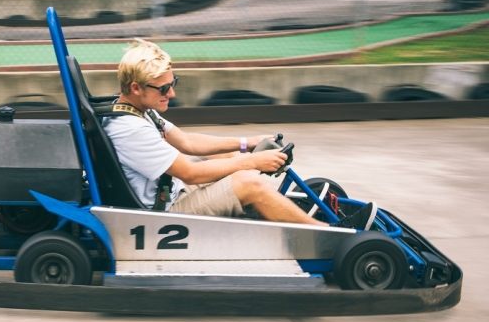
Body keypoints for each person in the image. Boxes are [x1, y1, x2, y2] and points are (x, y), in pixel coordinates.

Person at [101, 38, 377, 230]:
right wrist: (253, 162)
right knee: (249, 182)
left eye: (173, 84)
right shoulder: (130, 129)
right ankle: (331, 233)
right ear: (136, 88)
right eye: (164, 89)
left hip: (169, 190)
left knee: (232, 155)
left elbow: (187, 142)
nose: (171, 93)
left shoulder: (139, 110)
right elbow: (190, 173)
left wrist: (247, 144)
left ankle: (273, 208)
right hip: (159, 216)